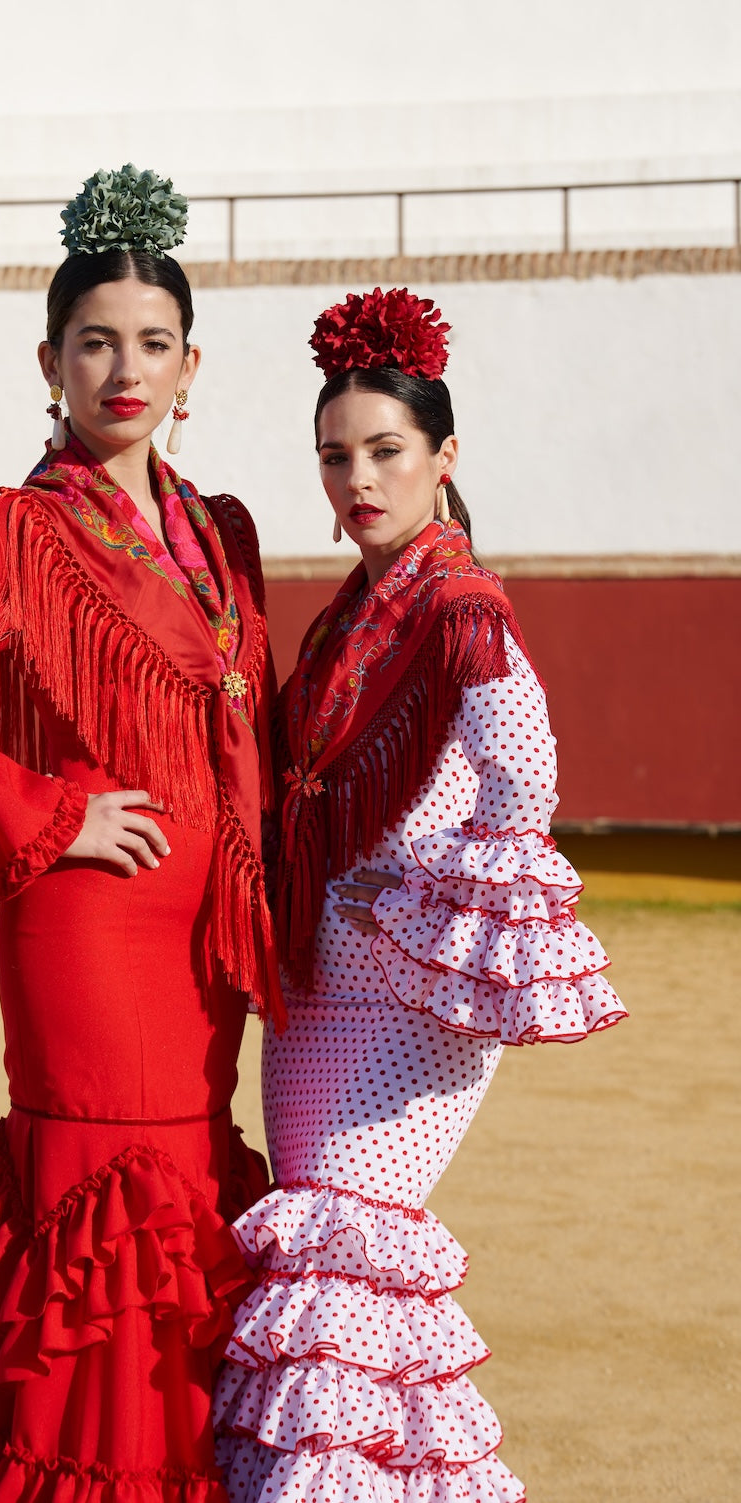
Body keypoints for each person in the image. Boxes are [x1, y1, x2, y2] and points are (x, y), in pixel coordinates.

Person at [0, 165, 282, 1503]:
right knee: (98, 1233)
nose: (124, 370)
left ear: (191, 364)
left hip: (204, 957)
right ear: (51, 360)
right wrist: (55, 811)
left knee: (188, 1225)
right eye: (96, 343)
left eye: (152, 343)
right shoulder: (16, 529)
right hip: (87, 936)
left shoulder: (223, 530)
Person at [214, 287, 627, 1502]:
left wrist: (409, 906)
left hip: (401, 1003)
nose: (358, 479)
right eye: (335, 457)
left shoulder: (459, 608)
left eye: (386, 452)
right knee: (335, 1289)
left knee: (342, 1265)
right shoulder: (350, 614)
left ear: (445, 458)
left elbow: (525, 785)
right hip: (316, 1003)